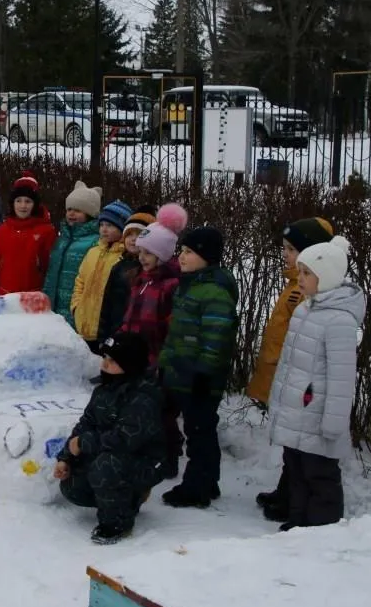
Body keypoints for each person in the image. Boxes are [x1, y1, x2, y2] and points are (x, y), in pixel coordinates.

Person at [268, 236, 364, 532]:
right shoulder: (305, 309)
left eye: (307, 273)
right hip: (297, 411)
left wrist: (333, 425)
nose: (301, 278)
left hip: (318, 416)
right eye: (300, 272)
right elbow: (291, 364)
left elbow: (341, 379)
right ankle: (298, 521)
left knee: (319, 475)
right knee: (296, 470)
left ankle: (323, 528)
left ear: (328, 277)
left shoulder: (339, 322)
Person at [250, 218, 334, 522]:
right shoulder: (293, 284)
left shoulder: (311, 289)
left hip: (301, 377)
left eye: (292, 249)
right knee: (290, 440)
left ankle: (296, 497)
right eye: (284, 248)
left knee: (301, 445)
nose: (285, 254)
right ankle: (287, 492)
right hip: (285, 370)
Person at [54, 332, 167, 544]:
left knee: (104, 467)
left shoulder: (143, 396)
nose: (105, 364)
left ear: (130, 363)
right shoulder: (105, 388)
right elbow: (86, 423)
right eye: (104, 357)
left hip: (146, 460)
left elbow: (125, 439)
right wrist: (66, 457)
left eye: (112, 360)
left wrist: (83, 443)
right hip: (114, 455)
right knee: (72, 485)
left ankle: (116, 523)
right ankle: (127, 498)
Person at [158, 226, 238, 508]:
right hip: (182, 372)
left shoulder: (214, 292)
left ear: (207, 257)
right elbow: (178, 333)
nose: (182, 256)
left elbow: (216, 337)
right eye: (182, 250)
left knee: (199, 430)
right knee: (198, 428)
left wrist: (205, 373)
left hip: (200, 378)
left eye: (189, 252)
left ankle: (197, 488)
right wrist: (166, 363)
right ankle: (208, 481)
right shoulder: (190, 284)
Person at [123, 202, 188, 477]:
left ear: (163, 254)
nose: (143, 257)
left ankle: (170, 455)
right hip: (137, 356)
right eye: (141, 251)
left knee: (162, 411)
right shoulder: (141, 279)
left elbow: (171, 326)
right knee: (142, 407)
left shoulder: (171, 285)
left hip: (158, 357)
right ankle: (149, 451)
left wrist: (164, 357)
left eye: (149, 253)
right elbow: (130, 315)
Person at [70, 199, 132, 352]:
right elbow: (80, 281)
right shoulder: (92, 252)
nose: (104, 229)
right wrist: (76, 307)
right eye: (102, 225)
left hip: (106, 328)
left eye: (110, 225)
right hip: (83, 325)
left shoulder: (124, 257)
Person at [0, 171, 57, 296]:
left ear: (35, 205)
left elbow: (50, 267)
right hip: (5, 295)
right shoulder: (3, 230)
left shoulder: (46, 231)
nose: (23, 206)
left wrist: (47, 295)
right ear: (13, 203)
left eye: (28, 201)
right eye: (18, 201)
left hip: (33, 296)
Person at [43, 180, 103, 327]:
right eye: (69, 209)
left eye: (77, 210)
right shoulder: (61, 239)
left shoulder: (95, 241)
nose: (71, 213)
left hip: (76, 306)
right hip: (53, 304)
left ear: (90, 214)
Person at [96, 205, 156, 344]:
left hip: (138, 339)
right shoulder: (118, 267)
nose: (133, 239)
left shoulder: (150, 269)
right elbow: (107, 304)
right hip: (114, 332)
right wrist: (102, 336)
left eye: (139, 234)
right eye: (129, 234)